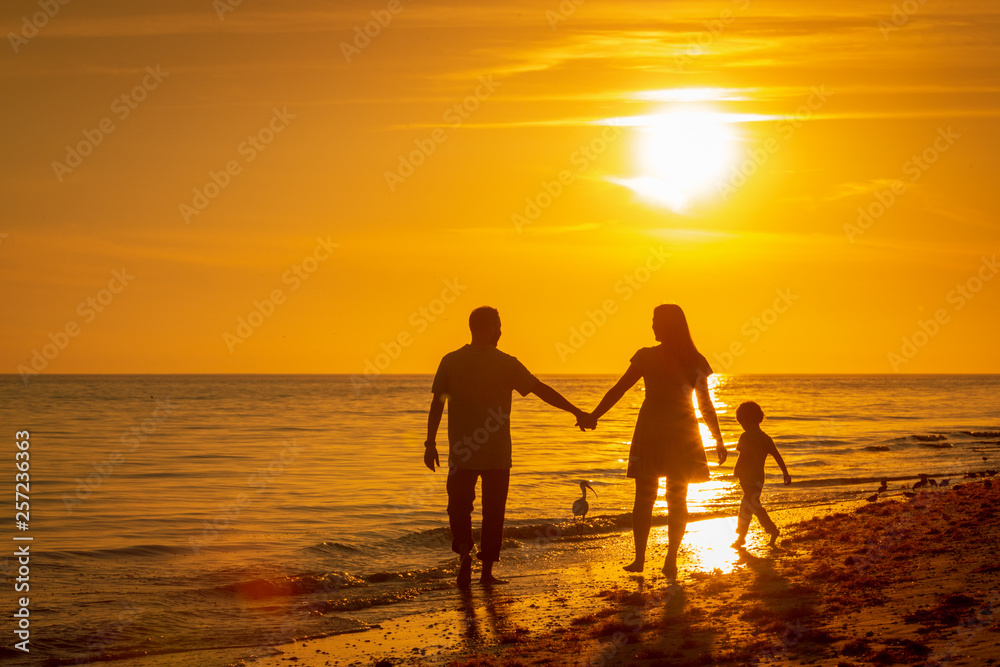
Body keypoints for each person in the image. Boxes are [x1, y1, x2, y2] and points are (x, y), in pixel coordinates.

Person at [424, 306, 596, 587]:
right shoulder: (506, 362)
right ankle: (487, 572)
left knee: (458, 508)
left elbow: (437, 405)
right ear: (491, 328)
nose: (501, 331)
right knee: (494, 512)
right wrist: (576, 411)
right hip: (496, 455)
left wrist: (430, 444)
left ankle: (465, 556)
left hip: (462, 453)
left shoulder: (451, 361)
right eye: (499, 326)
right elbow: (541, 390)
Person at [586, 304, 727, 579]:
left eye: (655, 321)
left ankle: (642, 559)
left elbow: (619, 389)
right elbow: (705, 405)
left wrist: (594, 416)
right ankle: (669, 560)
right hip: (682, 431)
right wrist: (717, 439)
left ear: (667, 325)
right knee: (676, 498)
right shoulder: (695, 359)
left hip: (652, 430)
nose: (651, 326)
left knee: (645, 497)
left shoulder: (646, 357)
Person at [731, 400, 791, 548]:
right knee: (748, 506)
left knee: (752, 506)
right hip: (758, 478)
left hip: (747, 478)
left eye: (742, 422)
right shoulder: (766, 438)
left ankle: (771, 529)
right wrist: (785, 473)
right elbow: (777, 456)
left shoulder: (745, 436)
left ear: (745, 420)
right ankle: (741, 538)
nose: (742, 425)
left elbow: (742, 456)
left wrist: (736, 469)